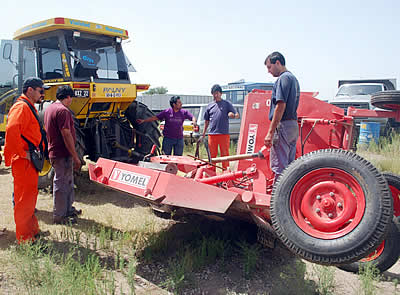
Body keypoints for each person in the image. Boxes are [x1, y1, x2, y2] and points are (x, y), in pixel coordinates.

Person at [4, 77, 49, 243]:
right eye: (40, 91)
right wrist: (21, 154)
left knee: (30, 198)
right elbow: (12, 129)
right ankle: (25, 239)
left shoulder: (28, 107)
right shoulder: (22, 107)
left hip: (29, 160)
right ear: (30, 90)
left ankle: (32, 230)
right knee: (24, 200)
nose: (42, 94)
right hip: (24, 161)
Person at [44, 85, 83, 225]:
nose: (71, 100)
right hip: (62, 153)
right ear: (67, 97)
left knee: (68, 182)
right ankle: (60, 215)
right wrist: (75, 156)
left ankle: (68, 209)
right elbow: (66, 134)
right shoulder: (63, 111)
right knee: (61, 184)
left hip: (56, 151)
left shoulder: (50, 108)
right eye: (71, 97)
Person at [264, 51, 300, 180]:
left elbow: (280, 105)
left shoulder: (283, 78)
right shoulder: (293, 79)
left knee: (280, 167)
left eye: (269, 67)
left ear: (277, 63)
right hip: (293, 126)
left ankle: (278, 197)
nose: (268, 71)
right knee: (289, 167)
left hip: (283, 126)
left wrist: (270, 132)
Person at [200, 84, 239, 170]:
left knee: (224, 156)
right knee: (212, 157)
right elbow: (206, 121)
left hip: (223, 134)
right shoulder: (209, 106)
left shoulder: (227, 104)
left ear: (221, 93)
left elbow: (236, 114)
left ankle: (225, 175)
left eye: (217, 93)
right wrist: (203, 134)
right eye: (214, 93)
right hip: (212, 135)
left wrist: (233, 115)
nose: (216, 95)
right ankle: (211, 175)